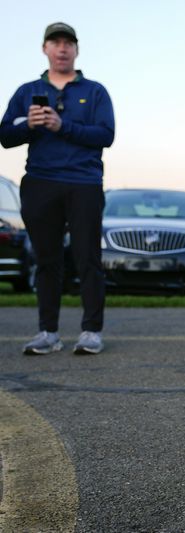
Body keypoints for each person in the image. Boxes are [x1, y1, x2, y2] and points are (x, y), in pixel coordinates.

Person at [0, 22, 114, 356]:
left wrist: (63, 126)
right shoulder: (27, 91)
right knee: (47, 259)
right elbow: (5, 135)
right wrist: (29, 126)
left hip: (84, 183)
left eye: (68, 43)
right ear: (45, 49)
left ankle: (91, 331)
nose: (62, 48)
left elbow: (105, 135)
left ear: (76, 50)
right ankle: (48, 332)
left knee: (87, 258)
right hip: (40, 182)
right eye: (55, 42)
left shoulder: (95, 91)